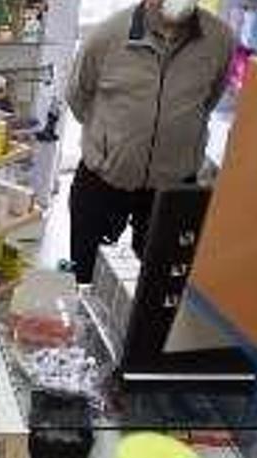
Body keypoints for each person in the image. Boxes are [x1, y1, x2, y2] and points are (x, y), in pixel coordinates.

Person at [66, 0, 234, 283]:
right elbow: (78, 97)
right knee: (82, 278)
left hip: (172, 189)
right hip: (105, 180)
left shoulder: (219, 39)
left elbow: (209, 100)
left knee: (157, 289)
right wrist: (113, 145)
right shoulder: (107, 36)